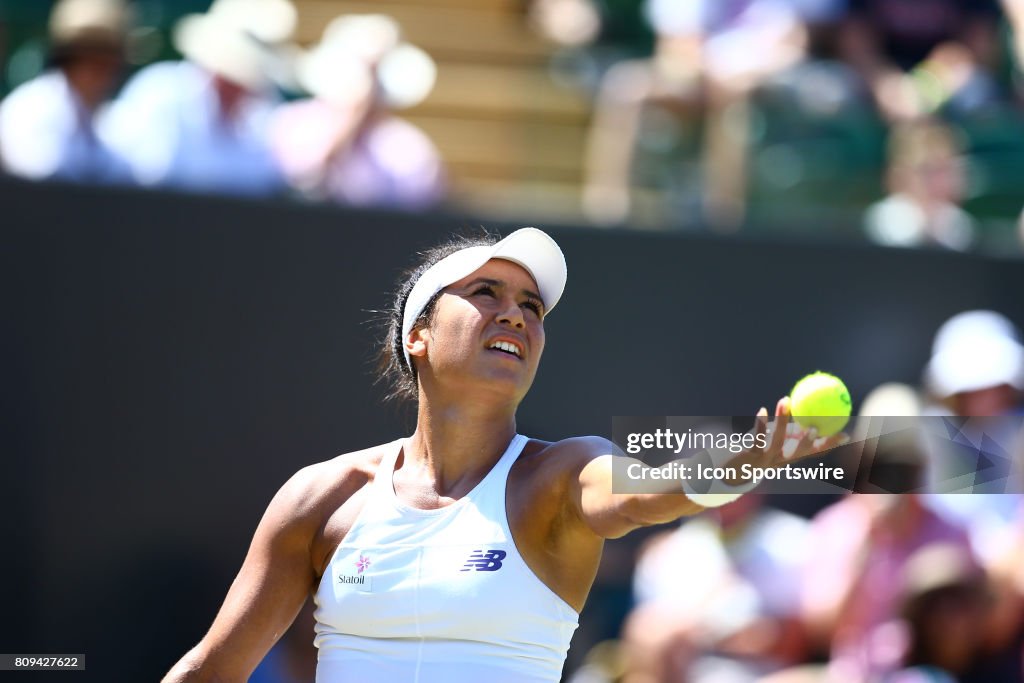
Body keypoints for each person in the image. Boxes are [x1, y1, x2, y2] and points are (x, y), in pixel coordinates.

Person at [160, 228, 846, 682]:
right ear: (419, 335)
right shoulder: (322, 497)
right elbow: (211, 671)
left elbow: (647, 494)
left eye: (531, 306)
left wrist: (749, 460)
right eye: (486, 293)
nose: (516, 314)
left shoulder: (562, 476)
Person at [0, 0, 132, 184]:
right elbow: (46, 193)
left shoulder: (97, 121)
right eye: (96, 59)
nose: (107, 71)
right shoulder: (32, 110)